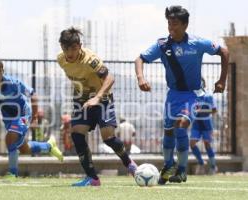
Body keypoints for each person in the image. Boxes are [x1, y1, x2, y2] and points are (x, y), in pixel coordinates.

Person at [135, 5, 229, 184]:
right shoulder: (162, 45)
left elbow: (224, 51)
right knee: (169, 131)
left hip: (193, 94)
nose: (171, 27)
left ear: (185, 25)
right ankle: (169, 165)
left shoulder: (197, 43)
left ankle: (182, 170)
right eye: (169, 23)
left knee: (181, 124)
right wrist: (141, 78)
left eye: (175, 23)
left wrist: (222, 80)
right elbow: (139, 59)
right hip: (174, 95)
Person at [57, 27, 137, 186]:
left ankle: (130, 164)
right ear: (62, 47)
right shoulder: (61, 60)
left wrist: (97, 97)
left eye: (74, 48)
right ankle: (92, 178)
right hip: (81, 100)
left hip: (102, 99)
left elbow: (110, 78)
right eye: (66, 48)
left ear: (80, 46)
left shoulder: (91, 60)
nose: (70, 52)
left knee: (108, 138)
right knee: (77, 134)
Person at [0, 58, 63, 178]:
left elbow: (33, 94)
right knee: (24, 149)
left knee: (9, 139)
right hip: (8, 119)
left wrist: (34, 118)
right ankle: (49, 146)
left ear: (3, 71)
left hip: (23, 114)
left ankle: (13, 174)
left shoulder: (14, 83)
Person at [190, 78, 218, 175]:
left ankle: (213, 166)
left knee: (207, 145)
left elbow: (214, 110)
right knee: (192, 143)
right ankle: (201, 163)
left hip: (206, 124)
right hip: (196, 124)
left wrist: (202, 111)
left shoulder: (208, 96)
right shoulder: (193, 97)